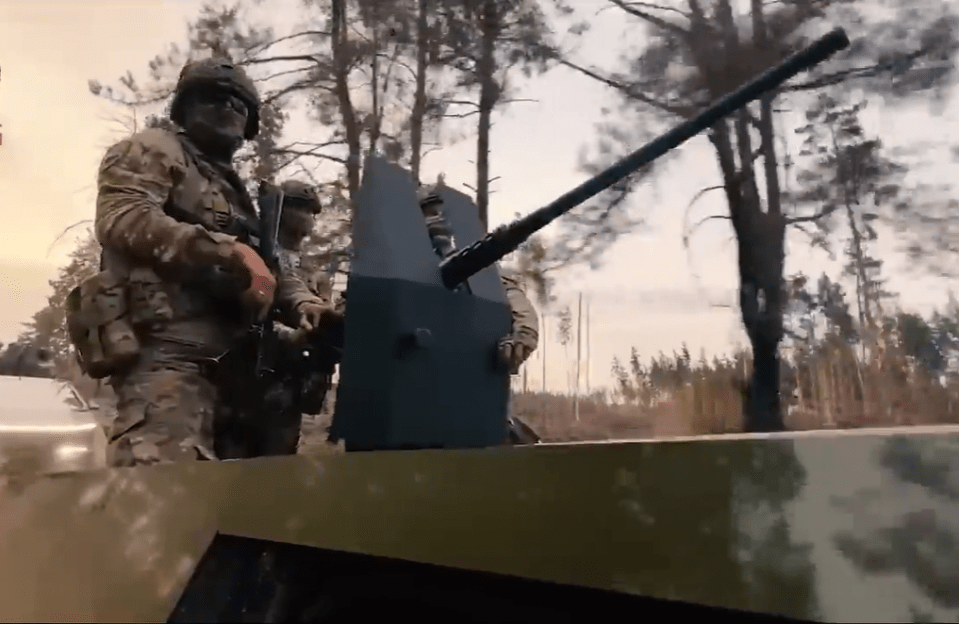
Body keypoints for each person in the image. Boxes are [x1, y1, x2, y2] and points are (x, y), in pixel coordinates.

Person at [90, 57, 335, 466]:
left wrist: (303, 304)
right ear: (185, 107)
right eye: (212, 98)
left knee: (244, 509)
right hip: (169, 359)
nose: (228, 108)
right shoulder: (153, 149)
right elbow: (123, 218)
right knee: (162, 499)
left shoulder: (240, 195)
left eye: (240, 105)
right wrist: (225, 250)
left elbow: (271, 268)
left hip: (237, 373)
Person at [416, 185, 541, 444]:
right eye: (428, 215)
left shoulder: (490, 278)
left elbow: (521, 314)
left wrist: (521, 338)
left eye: (441, 214)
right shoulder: (395, 273)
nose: (436, 222)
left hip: (475, 403)